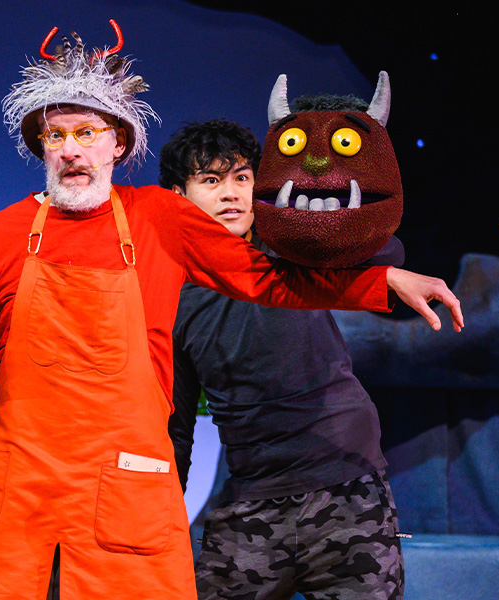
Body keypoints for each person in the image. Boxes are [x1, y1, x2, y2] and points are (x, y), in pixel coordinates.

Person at [0, 25, 460, 600]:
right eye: (55, 136)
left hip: (126, 486)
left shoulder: (158, 218)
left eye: (86, 132)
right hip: (22, 490)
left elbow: (265, 278)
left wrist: (381, 281)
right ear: (41, 146)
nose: (71, 150)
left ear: (118, 143)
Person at [161, 119, 404, 600]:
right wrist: (160, 521)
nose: (230, 193)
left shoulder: (289, 247)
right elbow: (177, 426)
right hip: (252, 499)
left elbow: (386, 250)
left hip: (347, 488)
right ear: (177, 196)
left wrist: (333, 239)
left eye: (241, 177)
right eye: (210, 180)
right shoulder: (170, 295)